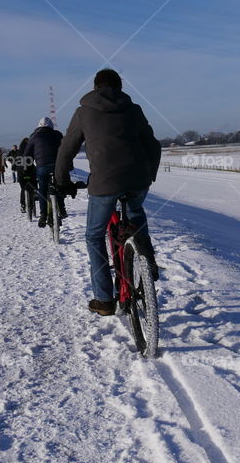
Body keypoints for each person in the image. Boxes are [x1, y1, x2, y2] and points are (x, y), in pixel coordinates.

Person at [54, 68, 161, 316]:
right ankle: (148, 261)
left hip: (104, 184)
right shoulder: (134, 110)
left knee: (94, 236)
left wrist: (62, 181)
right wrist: (150, 174)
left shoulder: (83, 112)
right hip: (137, 180)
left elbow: (66, 149)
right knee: (135, 212)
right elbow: (152, 145)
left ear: (95, 87)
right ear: (120, 87)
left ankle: (103, 299)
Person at [25, 117, 66, 227]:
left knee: (42, 190)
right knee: (60, 186)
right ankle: (62, 209)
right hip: (58, 166)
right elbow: (65, 149)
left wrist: (30, 168)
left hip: (42, 167)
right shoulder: (58, 135)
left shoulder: (33, 137)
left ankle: (43, 215)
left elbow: (27, 155)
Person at [14, 136, 37, 214]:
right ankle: (34, 197)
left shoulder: (18, 153)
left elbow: (14, 165)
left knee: (23, 188)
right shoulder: (31, 151)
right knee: (33, 185)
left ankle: (23, 205)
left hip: (21, 173)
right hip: (30, 171)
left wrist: (15, 167)